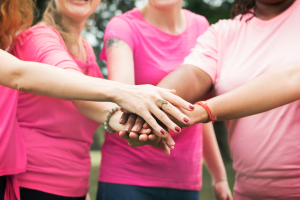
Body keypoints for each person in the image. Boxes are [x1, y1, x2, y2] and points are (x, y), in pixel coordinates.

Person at [0, 0, 193, 199]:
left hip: (76, 187)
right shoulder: (38, 37)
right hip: (34, 185)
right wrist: (126, 95)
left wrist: (135, 127)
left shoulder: (86, 48)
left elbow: (99, 108)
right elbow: (76, 89)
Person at [121, 0, 300, 199]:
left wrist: (204, 110)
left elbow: (291, 79)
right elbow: (194, 75)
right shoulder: (224, 32)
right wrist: (147, 112)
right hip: (249, 192)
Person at [97, 0, 232, 199]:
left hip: (184, 178)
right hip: (126, 177)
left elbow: (198, 112)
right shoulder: (123, 27)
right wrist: (136, 131)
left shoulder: (201, 26)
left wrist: (219, 177)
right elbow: (123, 98)